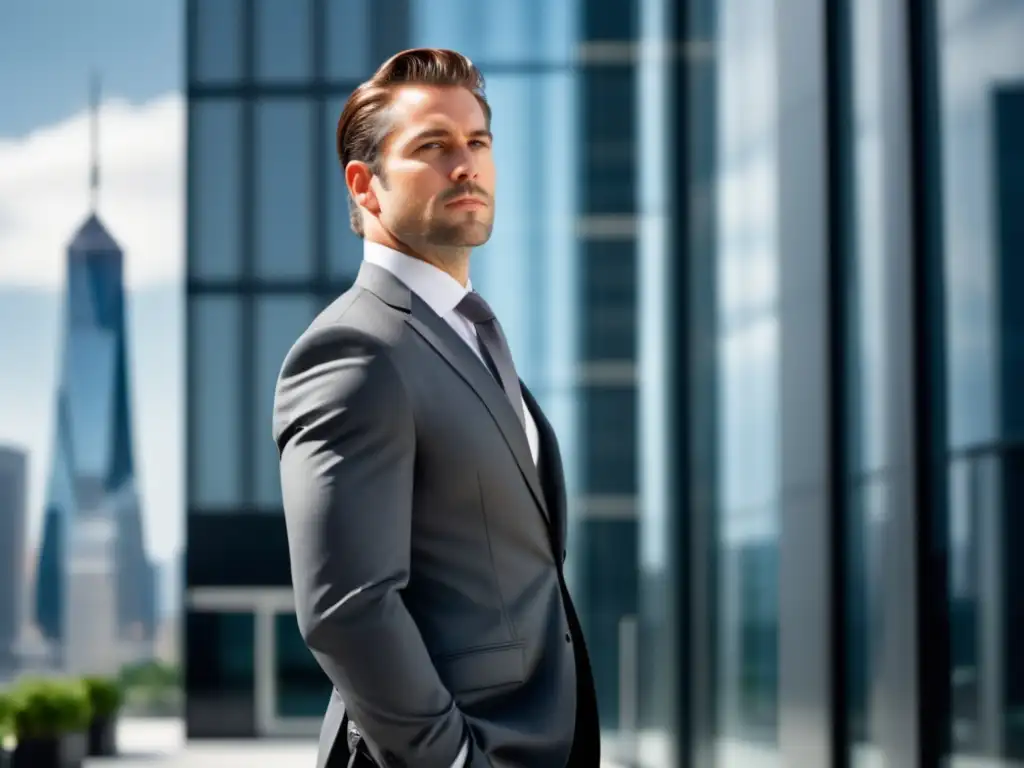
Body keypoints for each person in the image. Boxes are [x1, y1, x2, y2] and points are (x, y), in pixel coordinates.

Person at [272, 48, 600, 768]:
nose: (467, 164)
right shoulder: (355, 350)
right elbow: (347, 609)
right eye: (433, 146)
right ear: (365, 186)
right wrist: (451, 760)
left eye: (477, 141)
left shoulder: (470, 336)